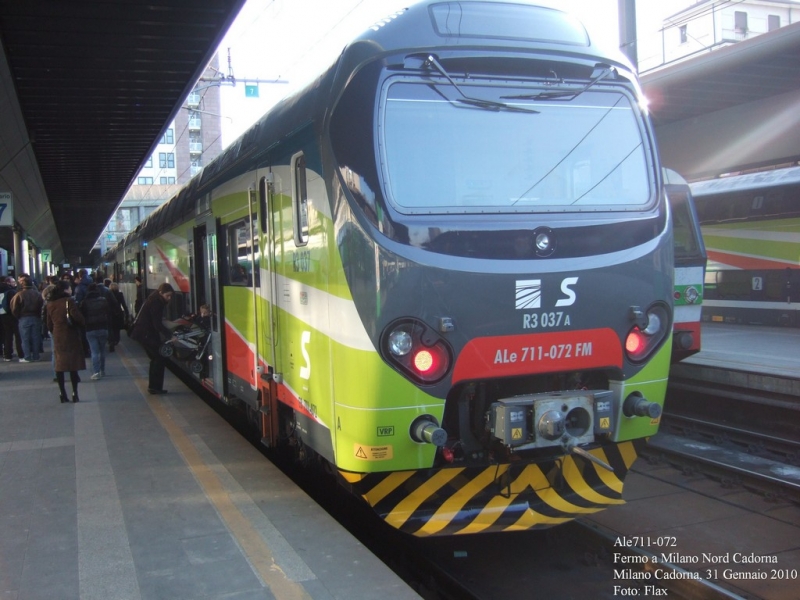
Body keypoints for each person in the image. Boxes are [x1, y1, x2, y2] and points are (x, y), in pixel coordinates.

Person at [46, 280, 86, 403]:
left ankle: (62, 393)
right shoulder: (69, 301)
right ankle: (75, 393)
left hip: (58, 335)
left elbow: (48, 323)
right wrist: (82, 323)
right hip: (71, 334)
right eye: (69, 288)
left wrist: (54, 331)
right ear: (65, 289)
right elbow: (77, 317)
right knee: (72, 365)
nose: (70, 290)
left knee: (60, 365)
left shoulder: (50, 304)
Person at [131, 283, 175, 394]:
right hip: (146, 334)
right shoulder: (157, 303)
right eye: (167, 296)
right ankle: (155, 387)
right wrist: (170, 335)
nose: (169, 299)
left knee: (155, 358)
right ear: (161, 293)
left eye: (170, 296)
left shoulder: (153, 298)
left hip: (143, 333)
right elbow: (157, 324)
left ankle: (153, 387)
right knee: (159, 358)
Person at [10, 275, 44, 362]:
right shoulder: (37, 294)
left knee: (25, 338)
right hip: (36, 317)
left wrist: (18, 316)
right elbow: (42, 306)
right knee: (35, 337)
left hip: (23, 318)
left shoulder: (19, 294)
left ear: (22, 285)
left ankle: (27, 356)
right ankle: (36, 356)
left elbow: (14, 308)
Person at [80, 283, 110, 380]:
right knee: (102, 351)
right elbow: (108, 313)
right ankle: (102, 371)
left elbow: (81, 315)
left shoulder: (84, 302)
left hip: (90, 329)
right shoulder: (103, 300)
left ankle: (96, 372)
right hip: (103, 328)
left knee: (94, 352)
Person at [1, 276, 24, 362]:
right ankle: (21, 354)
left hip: (3, 315)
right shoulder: (11, 292)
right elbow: (15, 305)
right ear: (8, 283)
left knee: (7, 335)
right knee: (18, 335)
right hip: (12, 315)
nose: (15, 283)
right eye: (13, 282)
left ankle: (7, 355)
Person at [106, 282, 129, 352]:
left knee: (111, 327)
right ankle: (117, 339)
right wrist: (126, 313)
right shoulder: (120, 294)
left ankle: (112, 340)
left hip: (110, 313)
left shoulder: (108, 294)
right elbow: (123, 304)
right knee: (117, 327)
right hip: (118, 313)